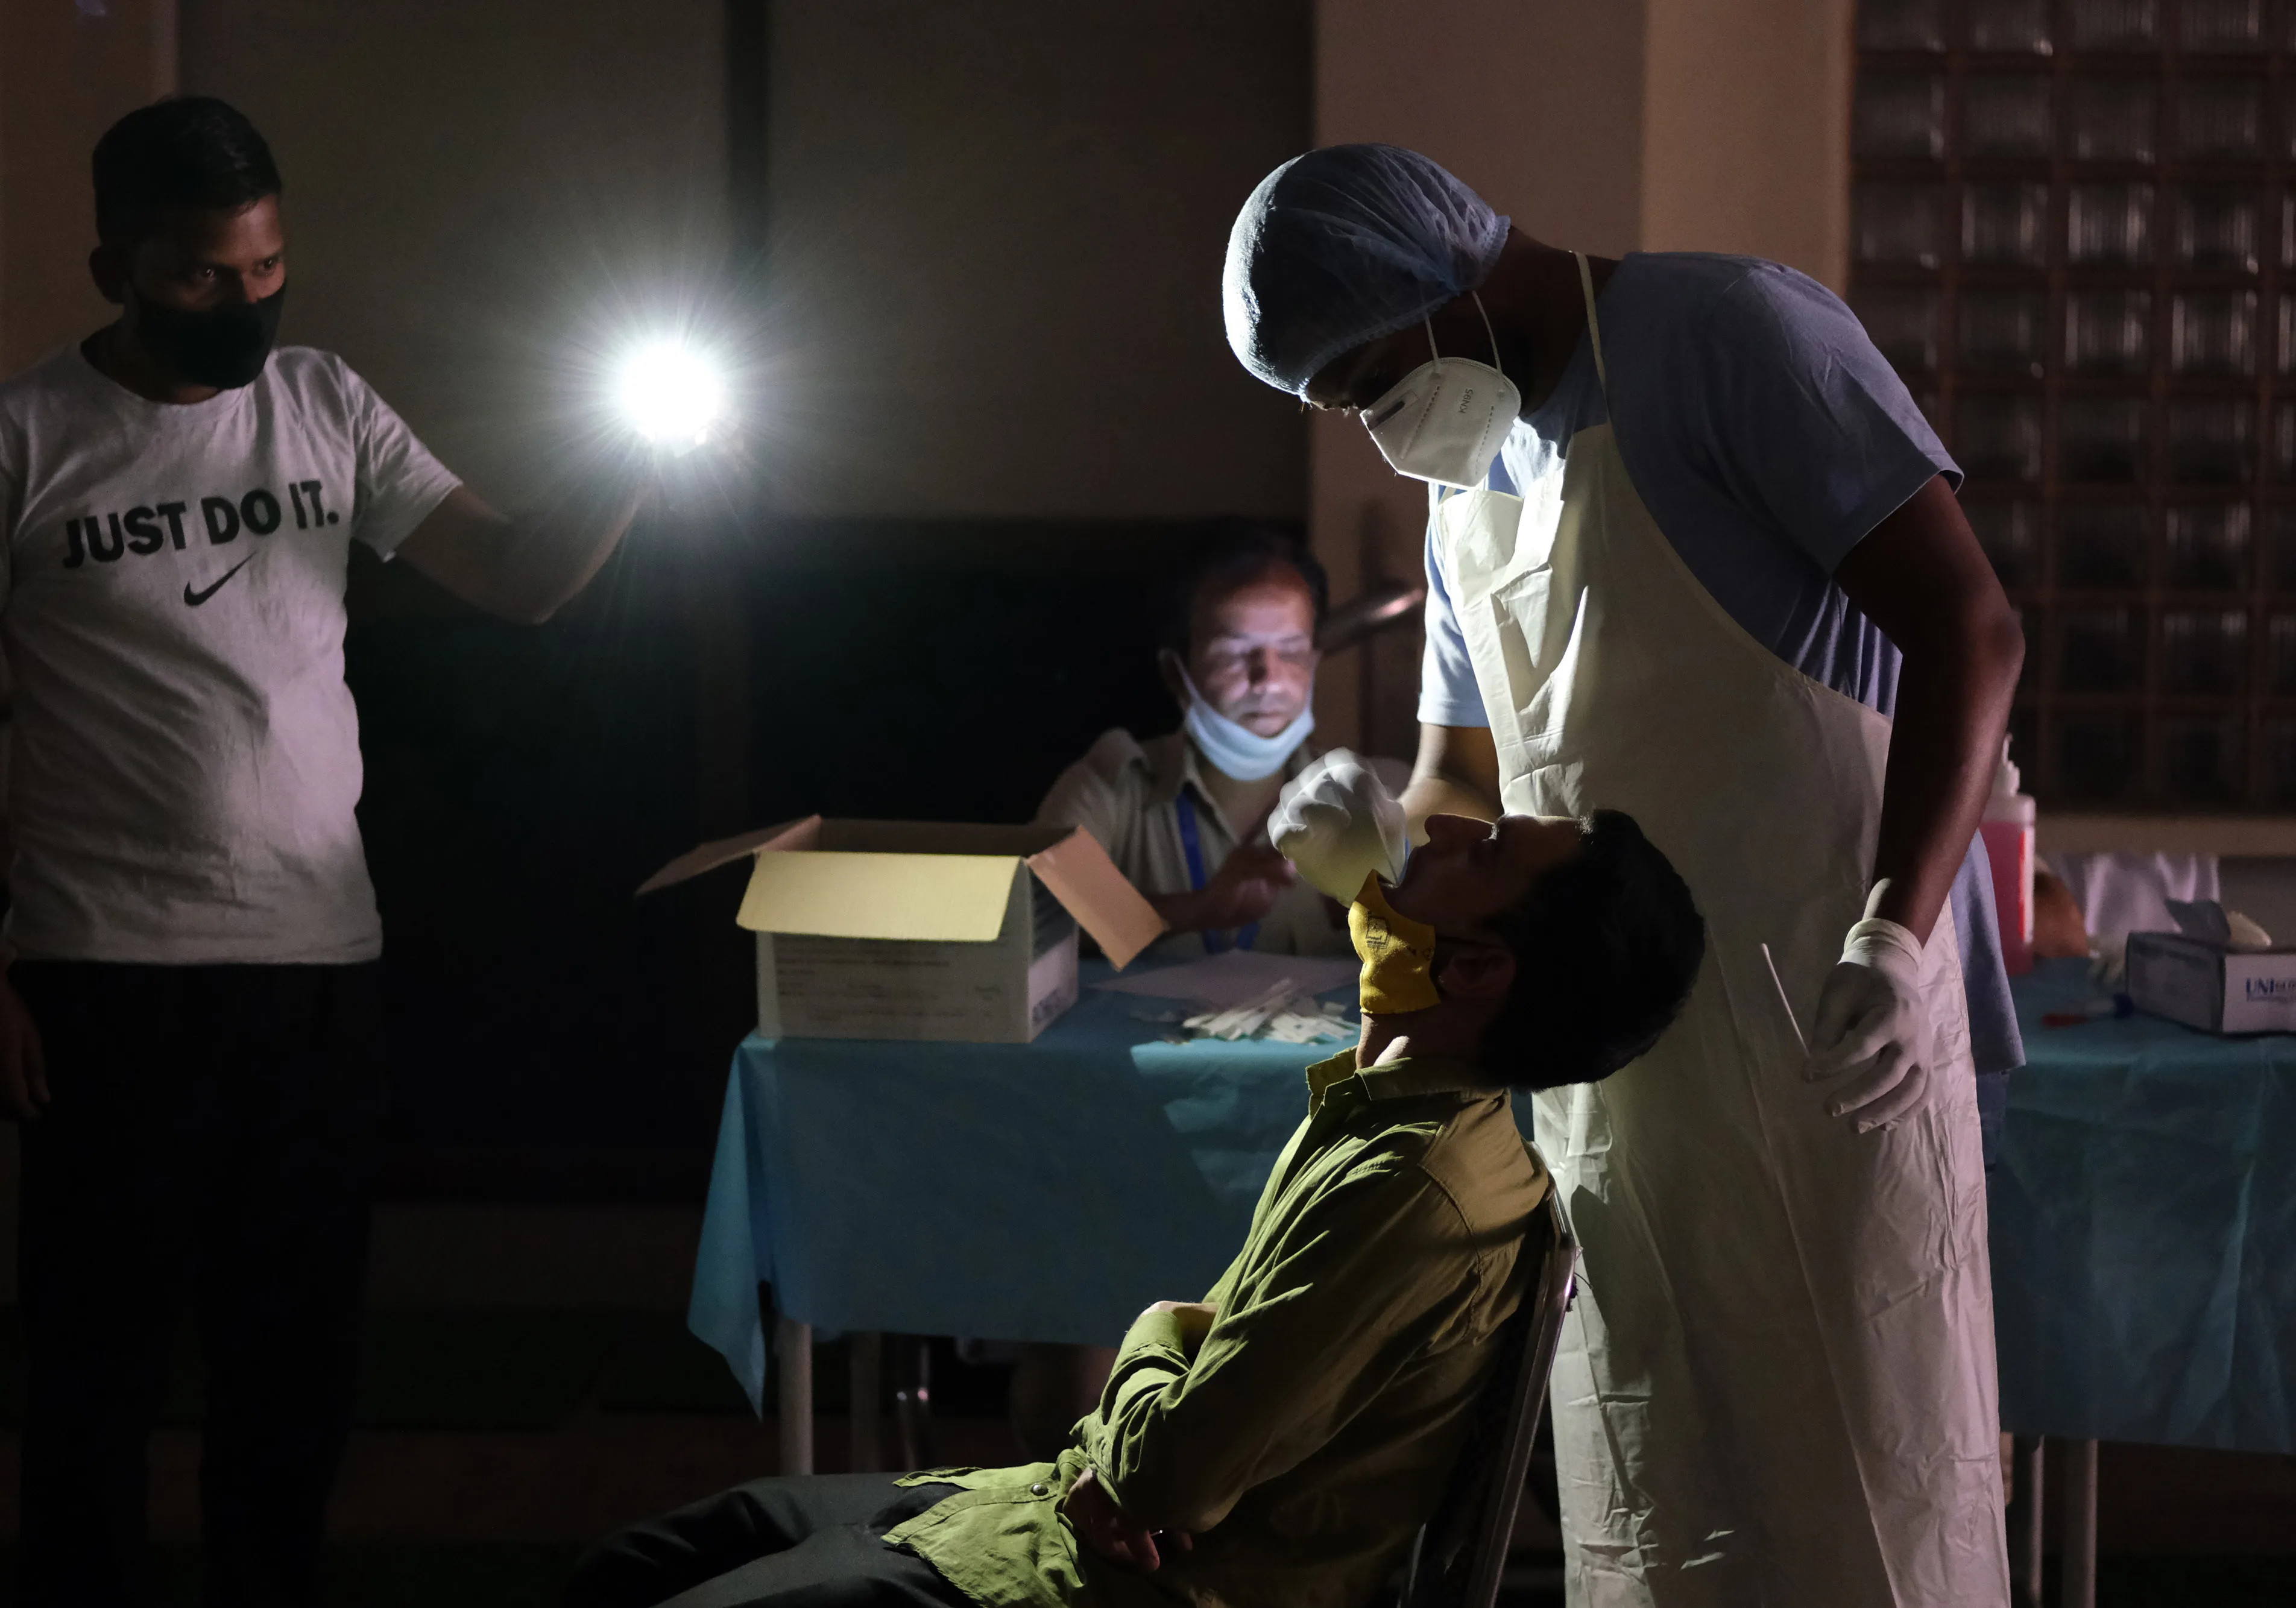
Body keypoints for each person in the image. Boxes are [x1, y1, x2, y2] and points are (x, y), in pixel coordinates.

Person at [1223, 144, 2028, 1607]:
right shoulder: (1468, 485)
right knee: (1667, 1511)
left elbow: (1968, 627)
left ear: (1434, 286)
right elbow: (1463, 777)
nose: (1381, 434)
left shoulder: (1728, 337)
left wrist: (1902, 936)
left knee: (1864, 1494)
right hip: (1616, 1092)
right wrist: (1382, 845)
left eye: (1370, 385)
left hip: (1830, 1034)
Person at [0, 98, 660, 1606]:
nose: (245, 302)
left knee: (291, 1378)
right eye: (201, 276)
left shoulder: (324, 401)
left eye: (267, 268)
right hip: (102, 973)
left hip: (313, 966)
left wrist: (641, 453)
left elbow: (517, 575)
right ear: (114, 268)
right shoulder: (26, 438)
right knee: (93, 1382)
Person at [566, 809, 1705, 1608]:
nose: (1447, 826)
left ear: (1479, 972)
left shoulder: (1411, 1187)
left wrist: (1155, 1335)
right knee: (637, 1561)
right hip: (1070, 1516)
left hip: (1137, 1582)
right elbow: (1183, 1438)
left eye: (1487, 847)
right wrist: (1143, 1431)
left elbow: (1170, 1481)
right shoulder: (1387, 1111)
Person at [1035, 522, 1355, 961]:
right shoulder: (1111, 787)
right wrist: (1193, 910)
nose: (1268, 680)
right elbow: (1037, 918)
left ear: (1314, 663)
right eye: (1234, 654)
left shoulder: (1364, 799)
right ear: (1176, 672)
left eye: (1291, 653)